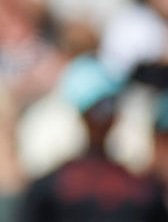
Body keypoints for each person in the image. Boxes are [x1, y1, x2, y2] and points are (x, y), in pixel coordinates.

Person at [18, 56, 168, 222]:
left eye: (110, 107)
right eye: (101, 109)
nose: (105, 116)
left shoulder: (143, 190)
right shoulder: (49, 188)